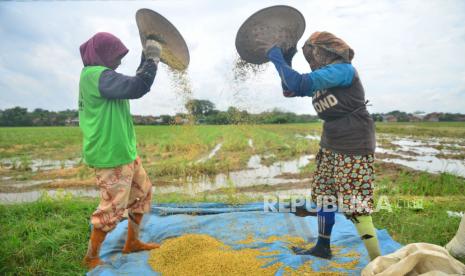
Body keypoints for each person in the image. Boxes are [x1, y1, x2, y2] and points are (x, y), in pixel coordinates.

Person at [262, 31, 381, 260]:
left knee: (355, 203)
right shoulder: (323, 76)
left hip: (354, 143)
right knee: (324, 196)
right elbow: (290, 89)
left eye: (313, 54)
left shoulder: (342, 71)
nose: (312, 60)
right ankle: (323, 247)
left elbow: (297, 82)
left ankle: (378, 262)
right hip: (330, 142)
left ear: (326, 51)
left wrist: (274, 54)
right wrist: (285, 59)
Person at [78, 32, 162, 269]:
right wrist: (153, 59)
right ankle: (91, 257)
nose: (119, 61)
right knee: (111, 209)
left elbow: (134, 81)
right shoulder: (96, 76)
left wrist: (146, 56)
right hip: (110, 155)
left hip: (124, 152)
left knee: (142, 194)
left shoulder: (105, 78)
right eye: (116, 56)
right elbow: (138, 86)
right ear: (102, 55)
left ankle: (132, 242)